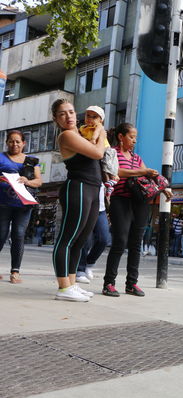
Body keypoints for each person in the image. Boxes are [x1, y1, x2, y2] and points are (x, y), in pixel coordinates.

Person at [102, 123, 171, 297]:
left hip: (139, 202)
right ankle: (109, 283)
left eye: (135, 137)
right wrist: (141, 171)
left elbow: (149, 175)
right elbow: (115, 171)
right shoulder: (112, 153)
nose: (134, 140)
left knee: (136, 244)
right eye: (131, 137)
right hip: (120, 200)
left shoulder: (137, 158)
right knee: (119, 241)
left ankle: (132, 283)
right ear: (121, 137)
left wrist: (164, 188)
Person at [52, 99, 105, 301]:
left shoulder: (80, 134)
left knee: (81, 240)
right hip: (78, 187)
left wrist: (98, 132)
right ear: (56, 119)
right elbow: (99, 152)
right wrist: (102, 131)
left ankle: (72, 283)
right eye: (62, 114)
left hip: (92, 188)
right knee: (67, 238)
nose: (69, 116)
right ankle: (63, 287)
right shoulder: (66, 135)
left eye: (71, 112)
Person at [0, 131, 43, 283]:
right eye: (11, 141)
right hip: (3, 204)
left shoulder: (31, 160)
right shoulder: (1, 157)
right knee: (1, 235)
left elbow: (38, 181)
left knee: (18, 235)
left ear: (24, 143)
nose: (14, 144)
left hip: (23, 205)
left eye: (18, 141)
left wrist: (27, 181)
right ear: (7, 143)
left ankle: (15, 271)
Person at [78, 106, 119, 197]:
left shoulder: (99, 126)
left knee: (108, 166)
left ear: (101, 120)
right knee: (102, 169)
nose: (90, 119)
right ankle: (109, 185)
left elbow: (96, 133)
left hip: (105, 149)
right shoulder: (82, 128)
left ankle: (114, 178)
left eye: (94, 117)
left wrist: (93, 139)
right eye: (88, 115)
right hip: (96, 151)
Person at [75, 185, 110, 284]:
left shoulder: (105, 174)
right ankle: (80, 269)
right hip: (86, 206)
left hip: (101, 209)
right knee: (86, 240)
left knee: (103, 239)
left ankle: (89, 264)